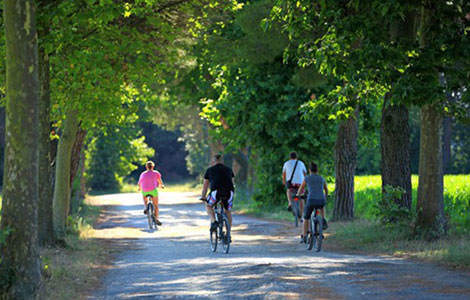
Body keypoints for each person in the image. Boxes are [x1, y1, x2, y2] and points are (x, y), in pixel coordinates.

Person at [201, 154, 235, 232]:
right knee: (228, 213)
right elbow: (233, 184)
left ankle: (213, 222)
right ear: (222, 161)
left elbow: (205, 187)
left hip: (216, 193)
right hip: (229, 193)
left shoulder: (209, 170)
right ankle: (228, 234)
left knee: (208, 205)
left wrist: (203, 197)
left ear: (213, 161)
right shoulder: (229, 169)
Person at [297, 162, 328, 243]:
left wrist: (298, 195)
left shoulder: (307, 178)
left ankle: (304, 236)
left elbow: (301, 189)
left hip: (311, 200)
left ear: (309, 170)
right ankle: (323, 220)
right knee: (322, 206)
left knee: (306, 218)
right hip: (321, 200)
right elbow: (326, 190)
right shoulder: (321, 178)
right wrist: (326, 196)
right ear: (317, 170)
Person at [138, 161, 165, 225]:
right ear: (153, 166)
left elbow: (139, 183)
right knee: (156, 206)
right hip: (153, 191)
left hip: (145, 191)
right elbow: (160, 181)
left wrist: (139, 188)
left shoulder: (143, 174)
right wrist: (161, 186)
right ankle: (156, 219)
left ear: (146, 167)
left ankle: (146, 207)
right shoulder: (156, 173)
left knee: (145, 198)